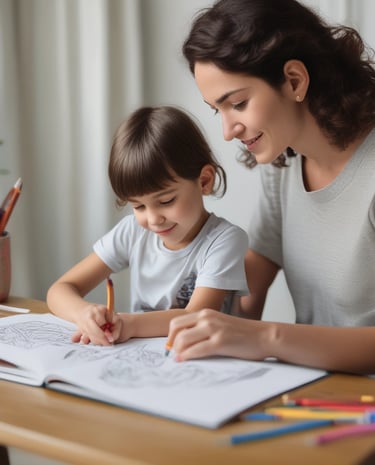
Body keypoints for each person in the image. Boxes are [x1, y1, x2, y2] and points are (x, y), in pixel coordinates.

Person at [166, 0, 375, 374]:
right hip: (308, 394)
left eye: (239, 104)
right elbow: (245, 292)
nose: (228, 131)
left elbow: (252, 328)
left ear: (294, 80)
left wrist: (264, 338)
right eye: (219, 110)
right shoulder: (284, 166)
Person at [47, 105, 249, 346]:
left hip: (206, 361)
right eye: (138, 206)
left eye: (166, 201)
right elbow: (60, 290)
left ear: (204, 181)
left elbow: (195, 317)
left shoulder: (224, 240)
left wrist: (129, 324)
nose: (153, 219)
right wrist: (83, 313)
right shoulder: (132, 231)